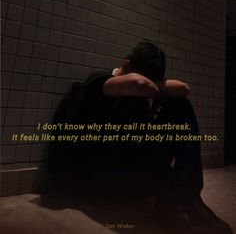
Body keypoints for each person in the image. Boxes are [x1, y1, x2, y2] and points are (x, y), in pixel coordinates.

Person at [49, 41, 232, 234]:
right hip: (98, 181)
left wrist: (158, 90)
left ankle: (188, 195)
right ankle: (170, 201)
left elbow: (184, 88)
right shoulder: (98, 81)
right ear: (126, 65)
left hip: (133, 179)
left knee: (180, 104)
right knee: (134, 101)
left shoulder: (138, 84)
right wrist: (153, 88)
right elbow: (138, 84)